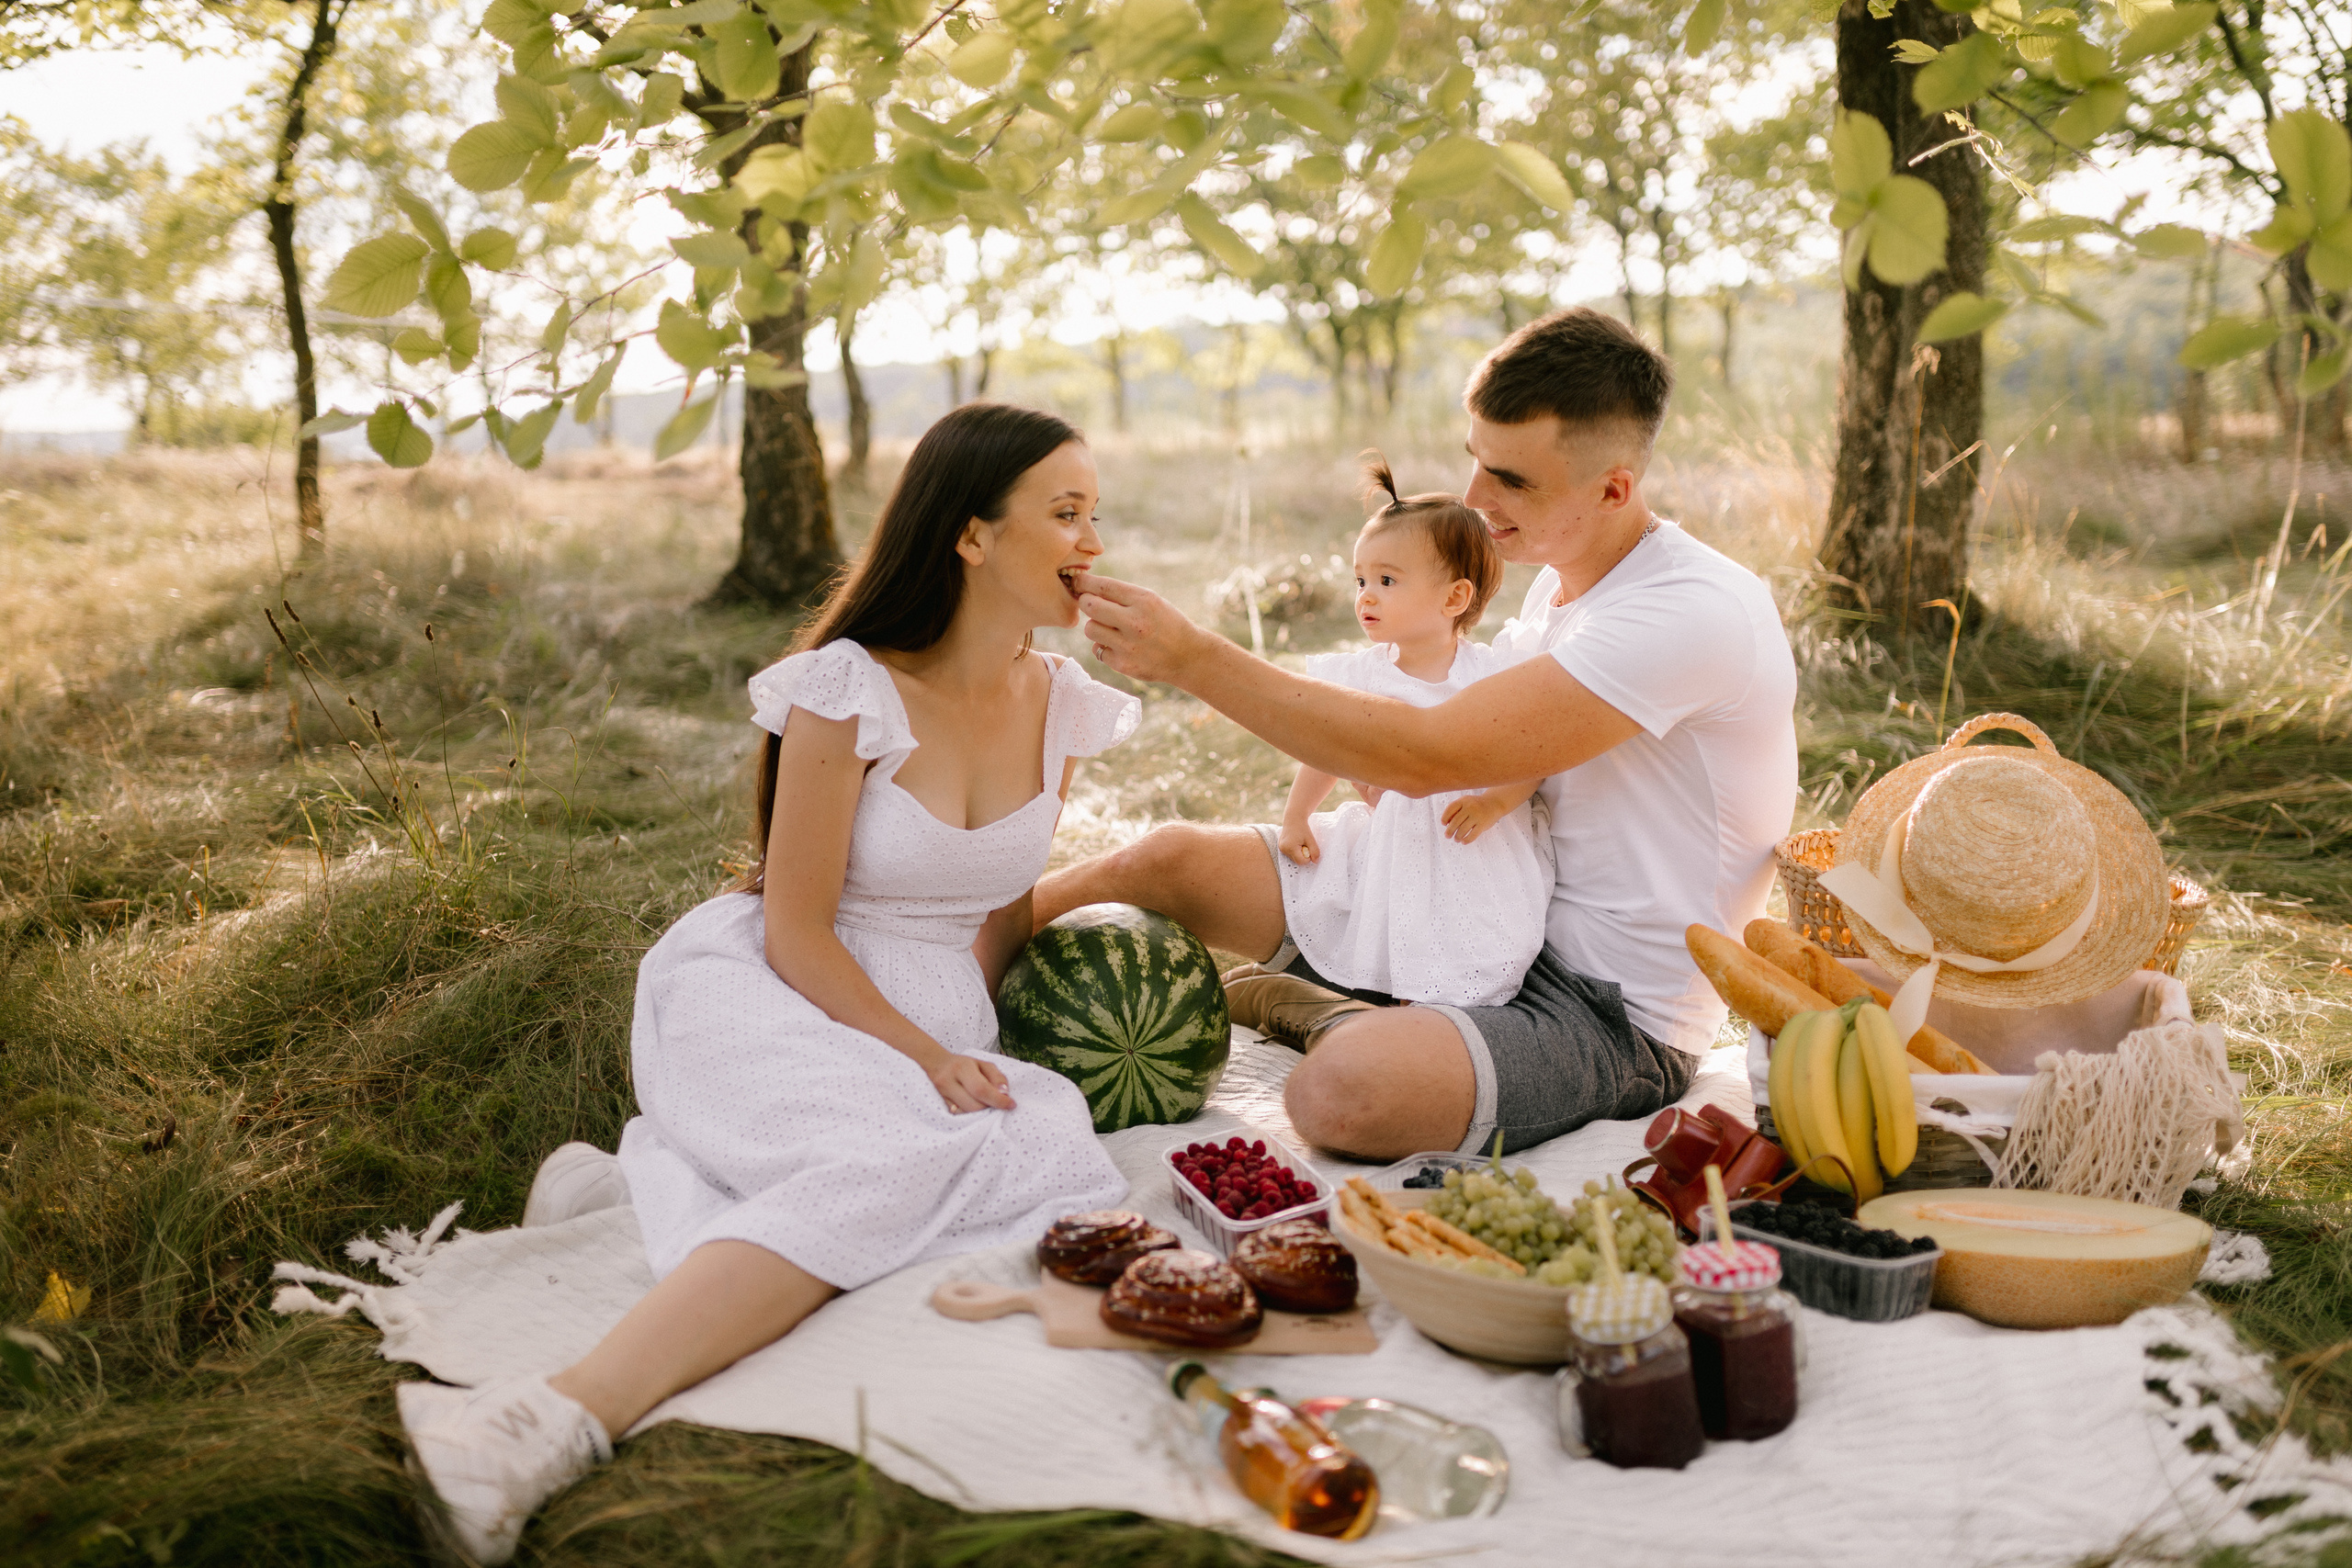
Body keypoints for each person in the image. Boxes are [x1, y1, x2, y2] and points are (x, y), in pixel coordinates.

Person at [399, 403, 1136, 1564]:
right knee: (883, 1168)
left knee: (1041, 1166)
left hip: (939, 1012)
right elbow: (795, 929)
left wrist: (985, 1048)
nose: (1094, 540)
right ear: (972, 536)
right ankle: (546, 1418)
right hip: (781, 983)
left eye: (1097, 513)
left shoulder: (1063, 701)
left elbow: (1002, 912)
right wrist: (922, 1058)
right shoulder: (846, 688)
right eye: (1066, 513)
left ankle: (630, 1194)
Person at [1035, 308, 1798, 1163]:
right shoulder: (1560, 586)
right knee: (1163, 860)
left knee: (1340, 1093)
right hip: (1475, 892)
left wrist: (1193, 658)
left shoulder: (1688, 612)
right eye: (1475, 459)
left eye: (1510, 478)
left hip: (1604, 1010)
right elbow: (1429, 722)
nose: (1474, 499)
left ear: (1613, 489)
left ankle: (1333, 1010)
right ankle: (934, 971)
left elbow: (1431, 754)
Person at [1246, 454, 1549, 1013]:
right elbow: (1328, 748)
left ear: (1454, 598)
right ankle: (1394, 1001)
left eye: (1386, 581)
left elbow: (1529, 754)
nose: (1365, 595)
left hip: (1475, 837)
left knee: (1472, 928)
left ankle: (1456, 1006)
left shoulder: (1488, 674)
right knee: (1401, 919)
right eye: (1360, 579)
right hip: (1401, 835)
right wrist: (1296, 815)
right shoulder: (1369, 675)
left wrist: (1495, 802)